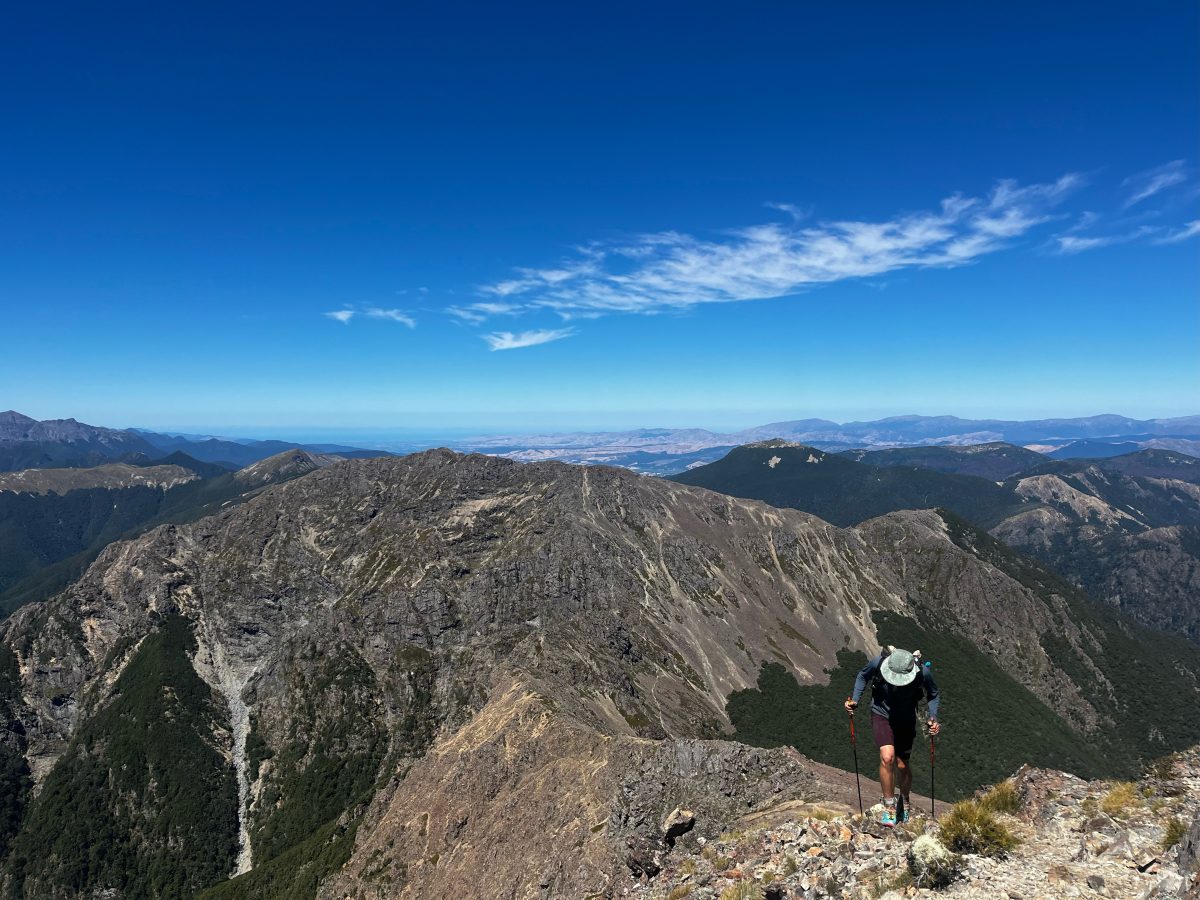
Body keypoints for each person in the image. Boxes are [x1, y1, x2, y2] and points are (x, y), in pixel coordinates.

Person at [844, 647, 940, 826]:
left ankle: (904, 801)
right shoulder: (878, 663)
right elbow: (862, 676)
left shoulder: (922, 673)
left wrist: (933, 717)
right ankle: (889, 806)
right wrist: (855, 699)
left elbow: (933, 694)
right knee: (887, 757)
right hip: (881, 714)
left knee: (902, 765)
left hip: (905, 719)